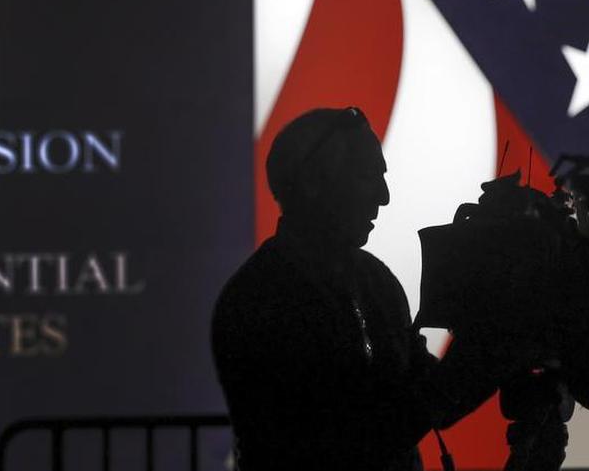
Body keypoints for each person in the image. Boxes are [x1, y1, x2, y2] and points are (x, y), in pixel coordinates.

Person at [211, 107, 527, 471]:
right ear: (314, 182)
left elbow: (433, 397)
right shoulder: (259, 302)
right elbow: (357, 438)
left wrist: (501, 338)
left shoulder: (376, 282)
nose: (384, 195)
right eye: (367, 175)